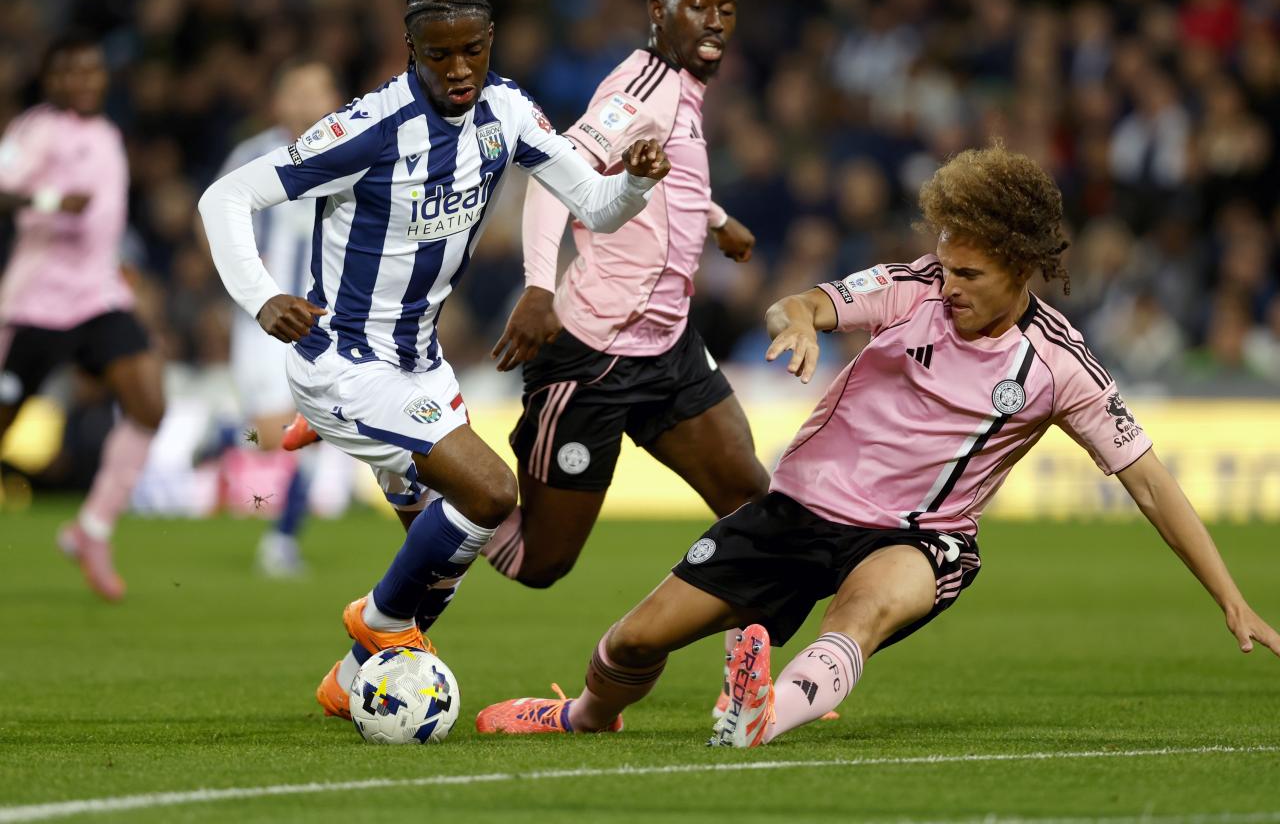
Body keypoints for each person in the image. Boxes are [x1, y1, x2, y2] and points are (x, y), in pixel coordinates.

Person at [475, 144, 1280, 745]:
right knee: (633, 640)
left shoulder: (1061, 367)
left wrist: (1230, 597)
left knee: (859, 614)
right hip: (795, 512)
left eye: (969, 272)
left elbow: (1149, 482)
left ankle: (761, 716)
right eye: (947, 262)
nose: (950, 282)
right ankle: (583, 716)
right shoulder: (915, 287)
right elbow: (804, 304)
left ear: (1023, 267)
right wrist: (795, 328)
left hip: (918, 538)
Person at [198, 0, 670, 720]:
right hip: (344, 362)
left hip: (419, 365)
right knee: (488, 492)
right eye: (438, 54)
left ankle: (353, 679)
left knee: (444, 553)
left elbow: (600, 209)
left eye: (472, 51)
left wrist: (638, 184)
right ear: (408, 50)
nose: (457, 70)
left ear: (491, 45)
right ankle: (380, 625)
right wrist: (261, 297)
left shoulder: (508, 113)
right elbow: (224, 197)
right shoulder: (369, 127)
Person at [483, 0, 774, 718]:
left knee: (755, 503)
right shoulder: (638, 85)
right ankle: (434, 493)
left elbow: (662, 177)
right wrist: (539, 287)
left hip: (670, 350)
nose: (715, 19)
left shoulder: (683, 89)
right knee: (541, 562)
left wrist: (716, 220)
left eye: (727, 6)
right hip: (592, 357)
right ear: (658, 12)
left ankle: (751, 684)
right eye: (697, 3)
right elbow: (559, 174)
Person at [0, 31, 167, 602]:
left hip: (97, 298)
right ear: (52, 80)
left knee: (149, 403)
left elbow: (104, 226)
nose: (85, 80)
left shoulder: (107, 133)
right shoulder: (32, 130)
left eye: (93, 70)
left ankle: (91, 529)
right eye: (72, 71)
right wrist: (49, 201)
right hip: (35, 305)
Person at [215, 57, 350, 577]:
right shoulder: (252, 155)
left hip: (326, 322)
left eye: (319, 90)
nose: (308, 101)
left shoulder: (349, 153)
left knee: (318, 431)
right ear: (278, 101)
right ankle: (221, 437)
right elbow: (215, 224)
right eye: (297, 90)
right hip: (263, 322)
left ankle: (282, 541)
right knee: (273, 434)